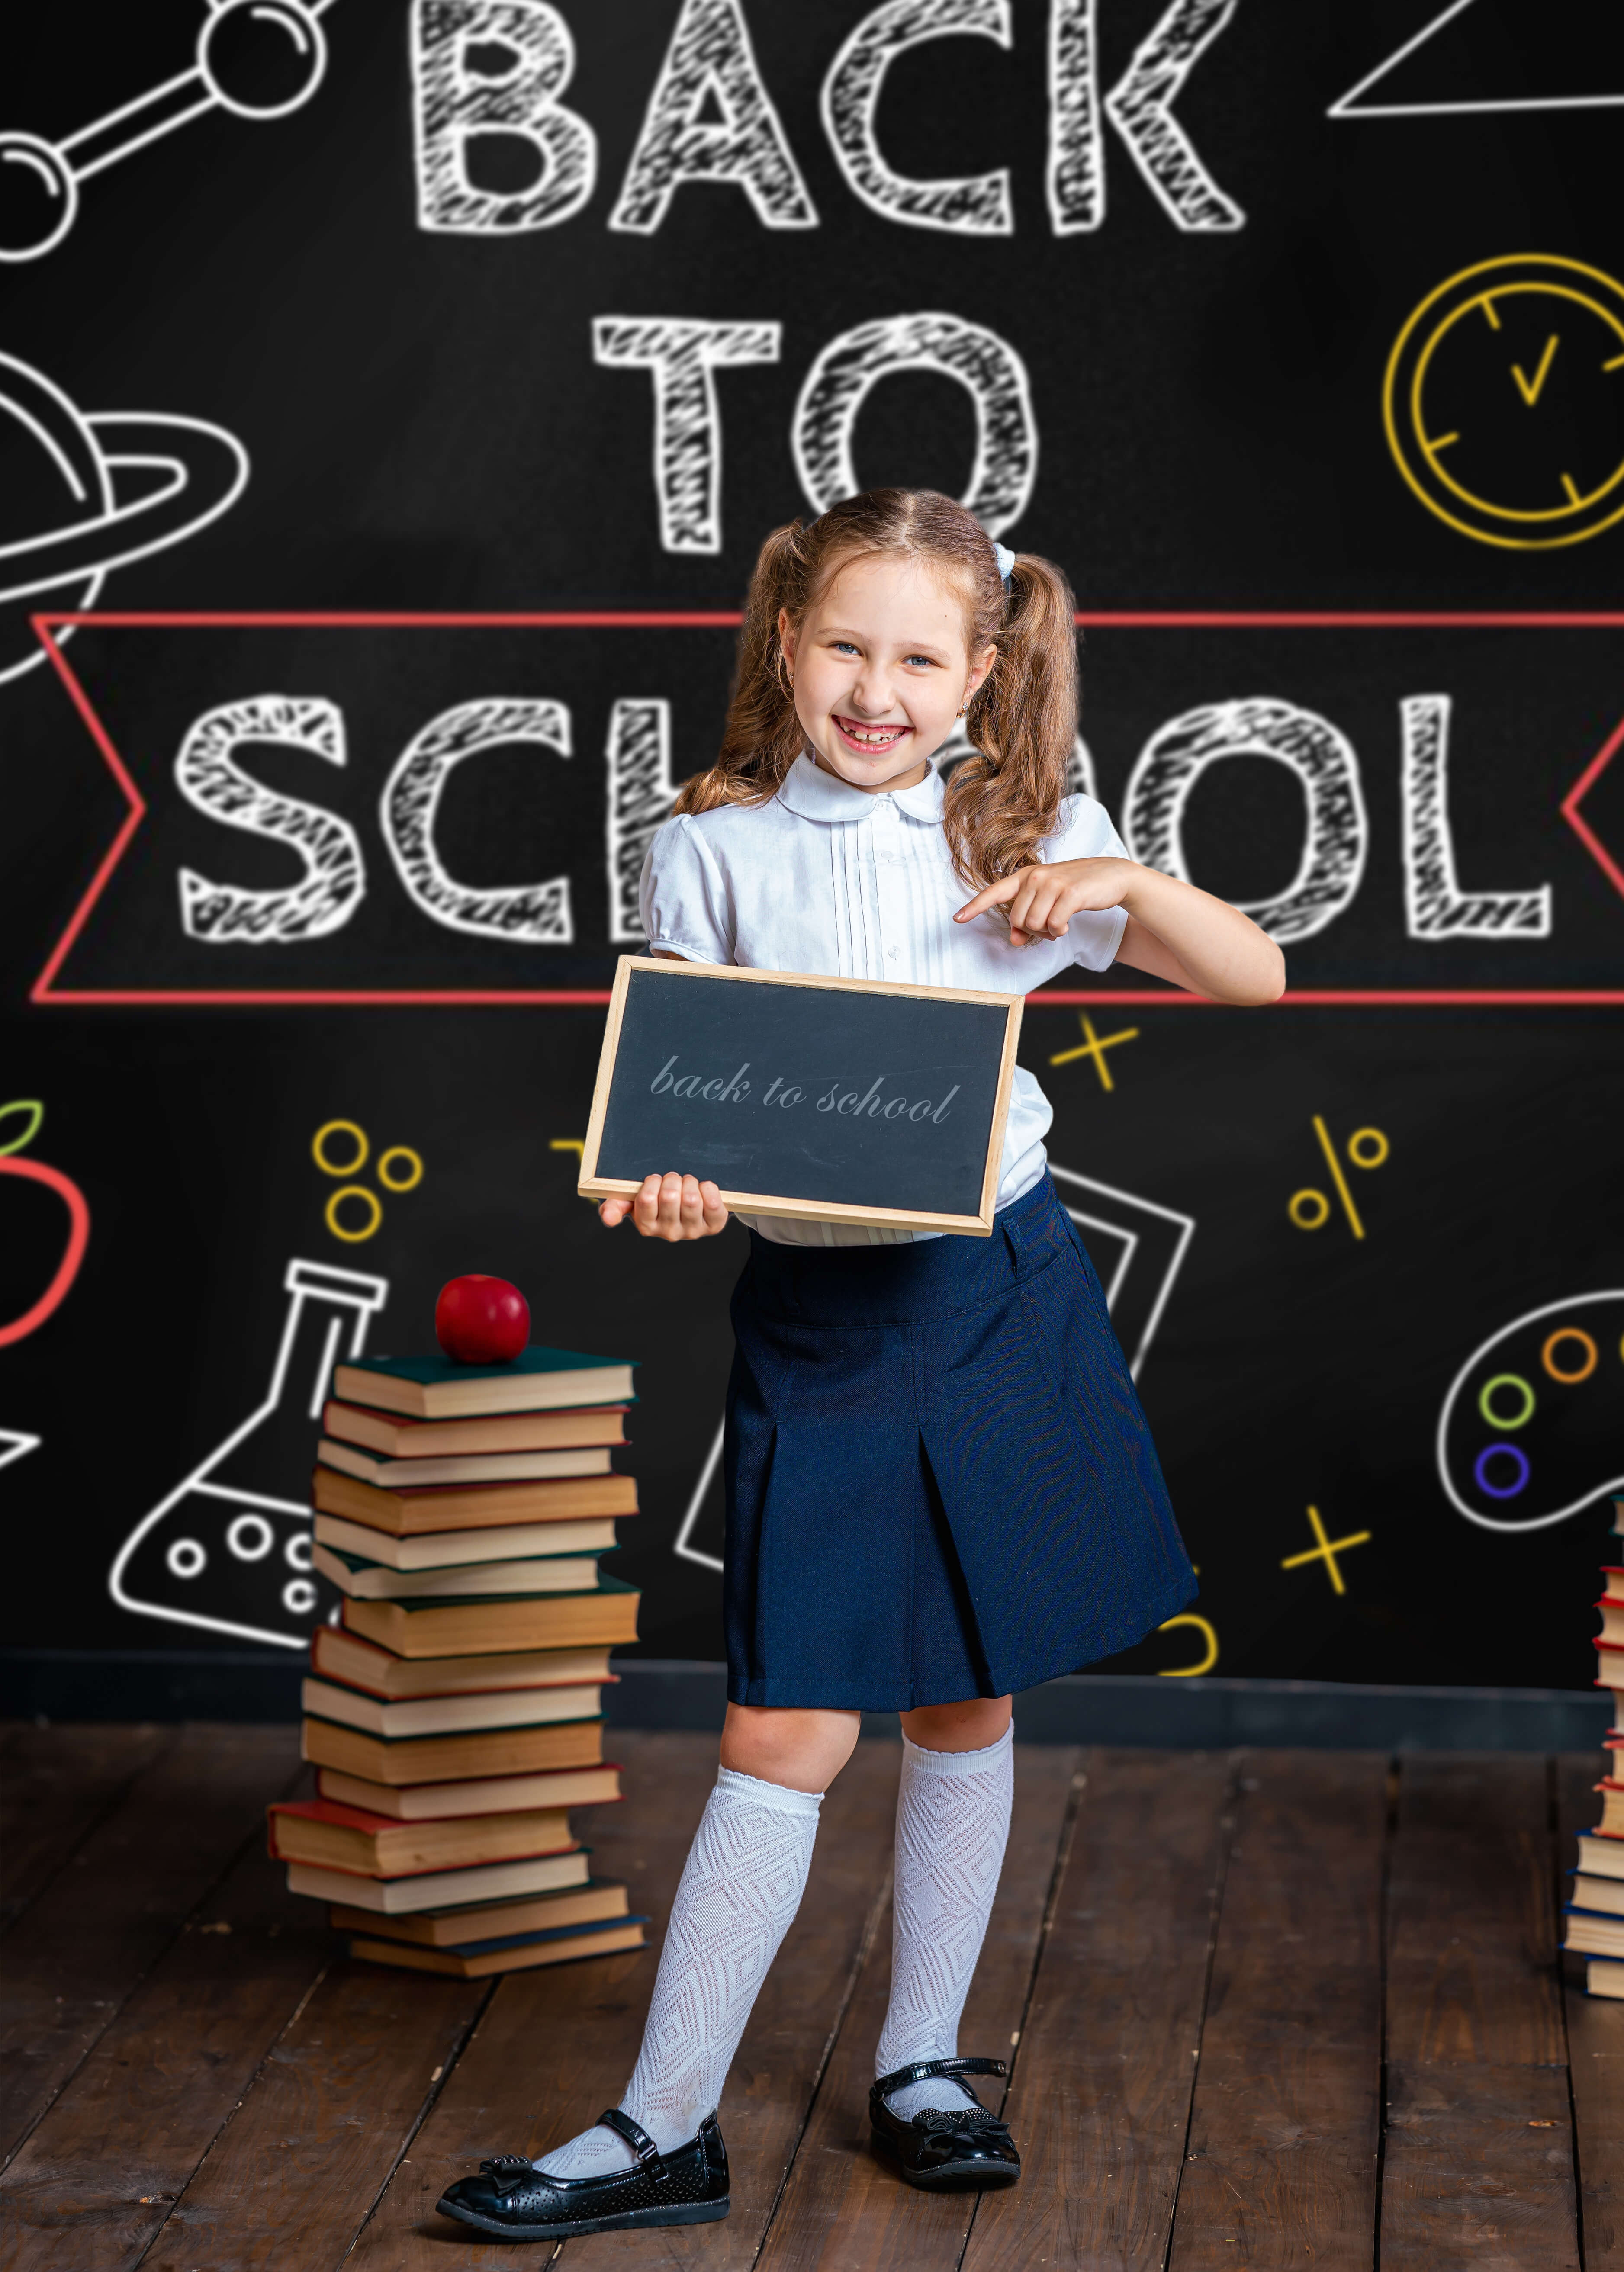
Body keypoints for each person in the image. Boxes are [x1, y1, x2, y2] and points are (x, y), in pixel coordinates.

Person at [438, 488, 1283, 2244]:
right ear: (784, 645)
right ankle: (666, 2123)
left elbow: (1255, 979)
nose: (875, 687)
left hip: (996, 1292)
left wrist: (1113, 877)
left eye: (918, 655)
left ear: (982, 669)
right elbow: (675, 1111)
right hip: (820, 1322)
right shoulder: (713, 840)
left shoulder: (1025, 824)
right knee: (784, 1722)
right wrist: (666, 1190)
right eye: (844, 645)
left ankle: (920, 2063)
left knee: (965, 1698)